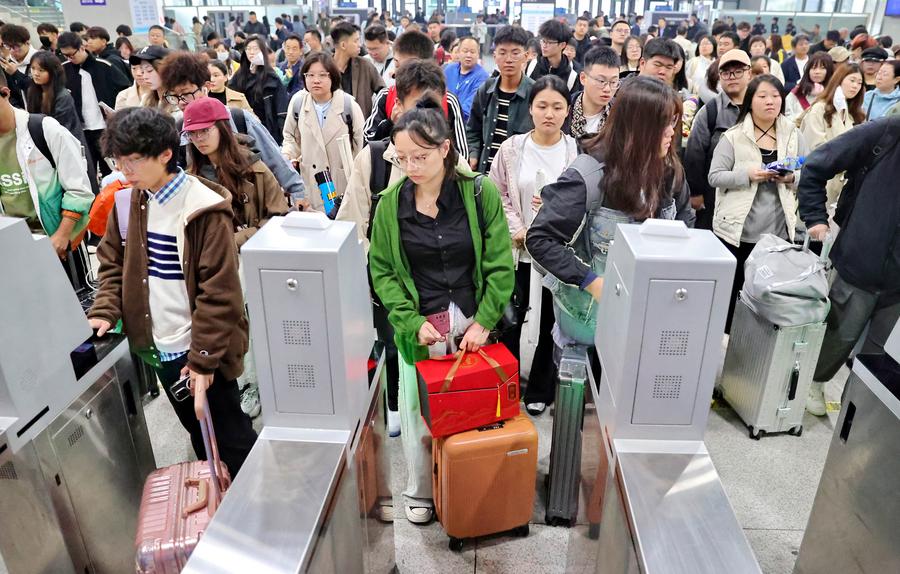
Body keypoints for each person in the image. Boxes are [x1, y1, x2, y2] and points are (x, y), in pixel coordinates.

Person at [368, 97, 515, 525]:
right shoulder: (391, 204)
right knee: (418, 410)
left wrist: (485, 320)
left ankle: (472, 478)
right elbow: (384, 273)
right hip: (422, 328)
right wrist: (412, 324)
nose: (412, 165)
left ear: (446, 148)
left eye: (422, 156)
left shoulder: (477, 191)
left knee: (472, 405)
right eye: (403, 157)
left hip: (471, 319)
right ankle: (420, 489)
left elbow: (499, 262)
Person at [89, 107, 258, 477]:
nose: (125, 170)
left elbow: (220, 292)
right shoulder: (131, 199)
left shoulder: (205, 207)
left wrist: (201, 359)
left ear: (166, 154)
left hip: (202, 351)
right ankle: (221, 496)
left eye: (133, 160)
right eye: (119, 161)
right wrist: (106, 308)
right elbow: (113, 260)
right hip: (160, 345)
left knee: (231, 435)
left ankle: (257, 508)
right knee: (200, 434)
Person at [526, 76, 693, 350]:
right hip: (590, 316)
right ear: (639, 127)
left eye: (673, 123)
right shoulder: (590, 173)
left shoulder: (669, 170)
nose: (671, 133)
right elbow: (540, 239)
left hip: (648, 309)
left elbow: (686, 223)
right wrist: (591, 282)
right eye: (663, 124)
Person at [798, 116, 900, 415]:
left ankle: (858, 410)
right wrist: (815, 218)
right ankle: (813, 382)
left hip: (897, 284)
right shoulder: (886, 133)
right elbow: (816, 164)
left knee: (880, 359)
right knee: (838, 336)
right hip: (859, 261)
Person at [489, 75, 577, 414]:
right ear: (531, 108)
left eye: (557, 107)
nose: (549, 114)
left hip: (556, 253)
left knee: (550, 324)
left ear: (567, 111)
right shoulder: (512, 148)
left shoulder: (574, 151)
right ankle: (506, 385)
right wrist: (520, 229)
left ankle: (540, 388)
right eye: (542, 106)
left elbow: (578, 201)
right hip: (518, 251)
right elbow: (498, 193)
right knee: (509, 319)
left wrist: (552, 231)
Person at [708, 74, 807, 332]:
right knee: (734, 294)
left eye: (775, 96)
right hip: (738, 232)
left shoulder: (793, 134)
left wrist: (790, 178)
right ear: (750, 101)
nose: (770, 102)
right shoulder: (733, 136)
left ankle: (756, 344)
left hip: (777, 232)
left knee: (766, 295)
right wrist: (748, 175)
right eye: (762, 96)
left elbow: (807, 172)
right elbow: (715, 176)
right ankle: (729, 340)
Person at [158, 51, 303, 203]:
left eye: (186, 94)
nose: (181, 102)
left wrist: (299, 194)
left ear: (206, 87)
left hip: (250, 210)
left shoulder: (238, 119)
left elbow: (275, 160)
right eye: (174, 96)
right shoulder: (178, 128)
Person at [183, 97, 288, 249]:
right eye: (192, 133)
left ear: (223, 128)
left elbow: (278, 218)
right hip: (210, 261)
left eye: (205, 130)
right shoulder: (190, 179)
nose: (198, 139)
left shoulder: (255, 170)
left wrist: (235, 240)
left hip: (252, 257)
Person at [281, 51, 364, 213]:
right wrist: (288, 155)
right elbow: (289, 136)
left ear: (332, 77)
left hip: (341, 183)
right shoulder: (298, 102)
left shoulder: (348, 105)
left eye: (322, 75)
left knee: (340, 225)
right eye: (310, 75)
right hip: (310, 182)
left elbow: (360, 145)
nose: (316, 80)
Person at [364, 30, 468, 159]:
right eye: (396, 64)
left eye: (403, 67)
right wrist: (390, 124)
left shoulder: (447, 101)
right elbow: (367, 142)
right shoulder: (386, 96)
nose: (394, 73)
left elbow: (461, 154)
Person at [685, 49, 753, 230]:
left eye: (738, 71)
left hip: (751, 197)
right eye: (725, 73)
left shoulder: (760, 109)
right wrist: (696, 192)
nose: (732, 77)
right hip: (714, 197)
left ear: (749, 73)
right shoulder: (710, 112)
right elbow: (694, 154)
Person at [59, 31, 130, 179]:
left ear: (82, 47)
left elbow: (126, 89)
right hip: (80, 129)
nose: (69, 59)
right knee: (86, 171)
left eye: (72, 54)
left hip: (104, 127)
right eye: (65, 55)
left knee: (110, 171)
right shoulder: (63, 69)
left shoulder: (104, 66)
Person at [467, 25, 535, 173]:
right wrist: (474, 154)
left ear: (526, 55)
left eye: (515, 53)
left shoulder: (535, 93)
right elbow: (473, 129)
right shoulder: (486, 90)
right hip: (485, 176)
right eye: (502, 53)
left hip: (518, 177)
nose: (508, 59)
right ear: (494, 56)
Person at [27, 51, 96, 191]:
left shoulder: (63, 95)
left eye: (41, 70)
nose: (36, 73)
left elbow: (61, 128)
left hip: (69, 146)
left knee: (80, 188)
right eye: (33, 69)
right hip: (46, 147)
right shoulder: (33, 91)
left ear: (53, 72)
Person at [799, 63, 865, 204]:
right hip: (819, 182)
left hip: (840, 185)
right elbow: (815, 148)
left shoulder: (850, 114)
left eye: (859, 83)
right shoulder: (819, 109)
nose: (855, 86)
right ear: (839, 80)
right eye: (852, 80)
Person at [229, 35, 289, 144]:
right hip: (244, 127)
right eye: (248, 49)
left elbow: (281, 105)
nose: (251, 52)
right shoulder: (240, 75)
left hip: (268, 127)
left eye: (255, 49)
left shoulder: (271, 76)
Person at [330, 22, 384, 119]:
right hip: (334, 129)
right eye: (356, 41)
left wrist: (376, 119)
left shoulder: (365, 65)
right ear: (343, 45)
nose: (359, 45)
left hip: (362, 127)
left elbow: (383, 92)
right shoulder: (325, 69)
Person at [567, 46, 620, 143]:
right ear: (583, 78)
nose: (607, 89)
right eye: (601, 81)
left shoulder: (620, 115)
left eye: (613, 82)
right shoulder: (565, 110)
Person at [443, 36, 488, 123]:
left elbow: (469, 108)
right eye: (465, 51)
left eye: (472, 52)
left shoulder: (482, 77)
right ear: (458, 53)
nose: (468, 55)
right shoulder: (449, 69)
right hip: (444, 121)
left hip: (466, 125)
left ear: (478, 55)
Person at [527, 19, 580, 92]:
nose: (544, 46)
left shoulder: (572, 77)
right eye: (543, 41)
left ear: (562, 45)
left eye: (549, 42)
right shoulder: (531, 66)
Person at [0, 24, 40, 109]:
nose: (12, 51)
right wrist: (18, 110)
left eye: (16, 46)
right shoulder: (8, 64)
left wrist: (16, 73)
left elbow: (39, 88)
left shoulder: (41, 59)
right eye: (8, 46)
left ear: (27, 42)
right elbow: (9, 93)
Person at [785, 52, 834, 119]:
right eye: (813, 68)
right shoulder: (797, 92)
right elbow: (787, 117)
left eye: (822, 68)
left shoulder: (835, 92)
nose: (817, 72)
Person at [130, 45, 177, 114]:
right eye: (142, 71)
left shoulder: (179, 101)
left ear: (166, 70)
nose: (144, 76)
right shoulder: (145, 100)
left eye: (149, 70)